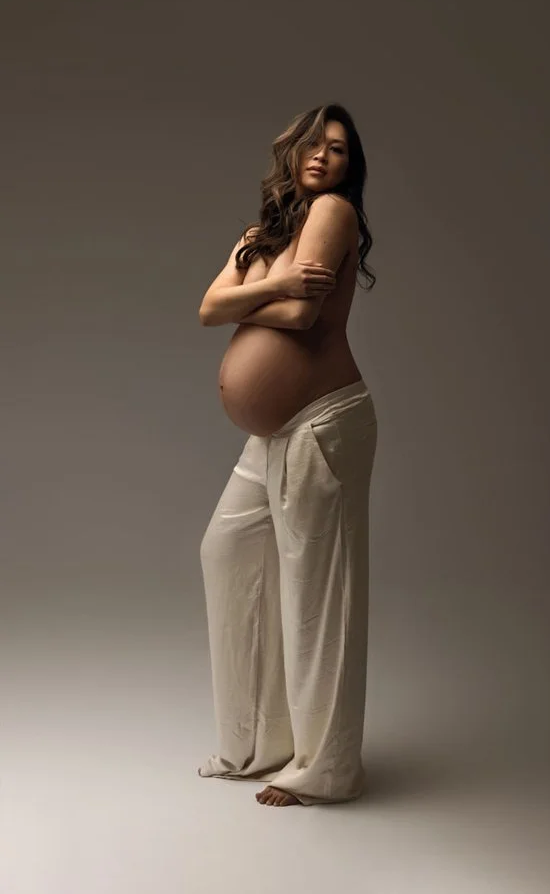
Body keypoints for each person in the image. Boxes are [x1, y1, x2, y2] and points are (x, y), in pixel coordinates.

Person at [197, 102, 377, 806]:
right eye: (313, 143)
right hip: (274, 430)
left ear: (349, 166)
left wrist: (247, 296)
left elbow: (303, 317)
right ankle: (257, 743)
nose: (323, 156)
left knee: (316, 596)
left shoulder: (333, 212)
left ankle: (324, 769)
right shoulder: (260, 236)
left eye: (339, 148)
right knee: (227, 550)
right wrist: (274, 283)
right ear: (291, 152)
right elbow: (208, 309)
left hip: (323, 421)